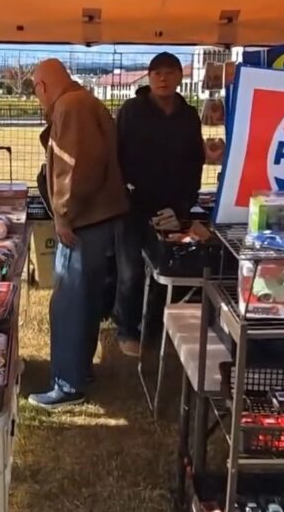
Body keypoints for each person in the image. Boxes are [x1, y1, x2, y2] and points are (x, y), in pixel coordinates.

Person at [28, 59, 129, 409]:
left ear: (41, 86)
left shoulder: (71, 107)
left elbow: (74, 167)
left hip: (85, 220)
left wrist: (63, 215)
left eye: (34, 89)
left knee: (69, 304)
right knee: (83, 303)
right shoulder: (81, 101)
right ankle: (78, 371)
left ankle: (67, 385)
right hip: (98, 217)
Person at [112, 52, 205, 356]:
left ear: (180, 77)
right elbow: (115, 157)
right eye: (157, 73)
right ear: (149, 78)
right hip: (130, 205)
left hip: (171, 209)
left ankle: (152, 328)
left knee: (165, 269)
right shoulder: (132, 111)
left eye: (170, 73)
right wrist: (124, 195)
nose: (163, 79)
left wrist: (184, 206)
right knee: (130, 271)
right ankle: (126, 329)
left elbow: (195, 162)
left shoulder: (189, 115)